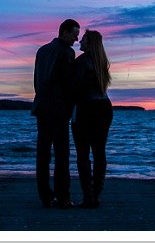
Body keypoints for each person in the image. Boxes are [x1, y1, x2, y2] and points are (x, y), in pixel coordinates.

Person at [31, 18, 80, 209]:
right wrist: (70, 106)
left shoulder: (42, 50)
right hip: (58, 109)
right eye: (75, 35)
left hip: (41, 107)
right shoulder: (67, 52)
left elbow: (37, 80)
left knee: (43, 155)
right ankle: (63, 197)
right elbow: (68, 83)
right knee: (62, 155)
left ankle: (45, 196)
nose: (76, 39)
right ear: (65, 32)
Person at [70, 29, 113, 208]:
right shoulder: (102, 62)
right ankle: (96, 194)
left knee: (83, 153)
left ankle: (88, 197)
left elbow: (73, 89)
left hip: (86, 108)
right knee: (99, 151)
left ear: (90, 43)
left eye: (84, 39)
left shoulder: (81, 62)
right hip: (104, 107)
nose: (80, 41)